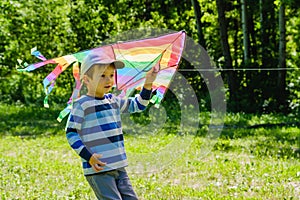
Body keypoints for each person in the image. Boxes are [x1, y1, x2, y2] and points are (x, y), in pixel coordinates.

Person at [65, 52, 157, 200]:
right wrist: (89, 157)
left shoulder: (113, 101)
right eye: (102, 76)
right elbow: (71, 133)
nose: (108, 80)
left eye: (111, 75)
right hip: (98, 168)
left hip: (119, 166)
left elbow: (138, 105)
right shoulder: (82, 104)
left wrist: (148, 83)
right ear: (86, 80)